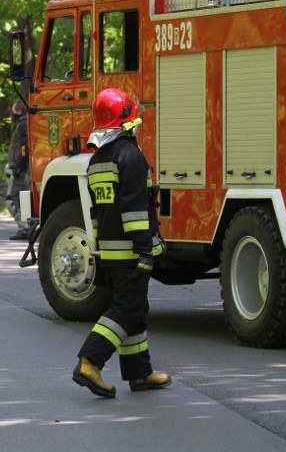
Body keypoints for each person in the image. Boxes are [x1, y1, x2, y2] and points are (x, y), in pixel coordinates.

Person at [72, 88, 170, 399]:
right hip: (130, 252)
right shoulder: (131, 156)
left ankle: (140, 373)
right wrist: (145, 250)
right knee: (126, 310)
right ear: (126, 121)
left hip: (111, 253)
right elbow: (136, 210)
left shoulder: (97, 160)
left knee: (136, 309)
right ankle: (90, 361)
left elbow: (98, 212)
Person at [6, 100, 30, 240]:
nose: (12, 114)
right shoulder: (25, 123)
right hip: (26, 168)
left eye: (13, 111)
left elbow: (24, 149)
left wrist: (18, 168)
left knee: (12, 199)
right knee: (23, 199)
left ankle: (24, 227)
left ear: (19, 112)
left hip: (22, 169)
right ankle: (28, 226)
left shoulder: (22, 125)